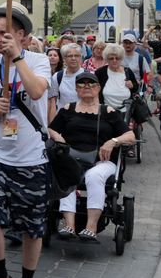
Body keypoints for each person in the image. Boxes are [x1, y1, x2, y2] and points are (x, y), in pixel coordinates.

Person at [0, 4, 50, 278]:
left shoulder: (39, 60)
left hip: (32, 157)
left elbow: (36, 93)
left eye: (3, 33)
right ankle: (0, 274)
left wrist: (17, 57)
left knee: (32, 226)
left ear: (21, 35)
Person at [48, 71, 135, 241]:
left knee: (94, 176)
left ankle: (91, 227)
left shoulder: (108, 111)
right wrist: (58, 137)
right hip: (72, 159)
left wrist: (113, 141)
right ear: (76, 89)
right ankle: (69, 225)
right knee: (68, 175)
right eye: (81, 84)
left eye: (90, 84)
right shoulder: (68, 109)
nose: (86, 87)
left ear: (98, 88)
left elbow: (130, 136)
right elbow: (51, 128)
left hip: (101, 162)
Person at [49, 43, 85, 120]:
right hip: (63, 119)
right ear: (64, 59)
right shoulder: (58, 76)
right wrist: (52, 125)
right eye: (70, 56)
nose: (73, 58)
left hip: (83, 119)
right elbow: (52, 102)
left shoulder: (88, 75)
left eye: (76, 55)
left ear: (81, 58)